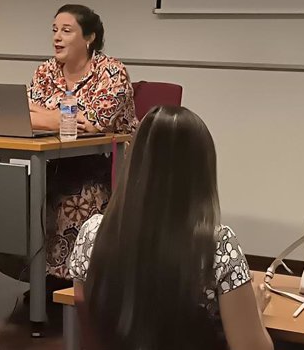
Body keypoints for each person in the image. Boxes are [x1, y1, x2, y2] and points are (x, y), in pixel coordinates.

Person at [68, 106, 273, 350]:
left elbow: (90, 330)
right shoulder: (218, 246)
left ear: (135, 161)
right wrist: (256, 314)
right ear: (202, 171)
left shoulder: (91, 234)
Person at [0, 4, 138, 282]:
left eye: (66, 31)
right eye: (55, 30)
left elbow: (95, 122)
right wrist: (64, 117)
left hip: (111, 164)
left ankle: (76, 281)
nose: (57, 37)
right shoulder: (47, 70)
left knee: (78, 198)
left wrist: (49, 115)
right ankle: (41, 280)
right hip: (58, 159)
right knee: (24, 194)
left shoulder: (111, 71)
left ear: (89, 37)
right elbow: (25, 113)